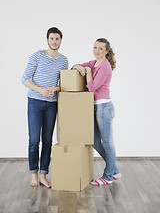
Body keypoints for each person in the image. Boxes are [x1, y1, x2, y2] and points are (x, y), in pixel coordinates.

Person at [22, 27, 68, 188]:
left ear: (61, 41)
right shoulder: (37, 56)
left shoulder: (63, 60)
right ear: (47, 40)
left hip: (51, 104)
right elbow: (25, 79)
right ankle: (33, 174)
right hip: (35, 101)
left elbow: (64, 85)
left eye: (57, 39)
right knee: (34, 140)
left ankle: (43, 175)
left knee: (47, 140)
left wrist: (54, 89)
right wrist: (41, 90)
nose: (55, 41)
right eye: (52, 38)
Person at [72, 38, 121, 185]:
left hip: (104, 107)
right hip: (95, 107)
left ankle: (107, 177)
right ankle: (115, 171)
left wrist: (87, 72)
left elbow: (92, 87)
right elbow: (80, 65)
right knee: (94, 140)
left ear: (106, 51)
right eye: (95, 47)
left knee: (107, 143)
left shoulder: (104, 66)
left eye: (100, 48)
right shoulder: (95, 63)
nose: (96, 50)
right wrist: (77, 66)